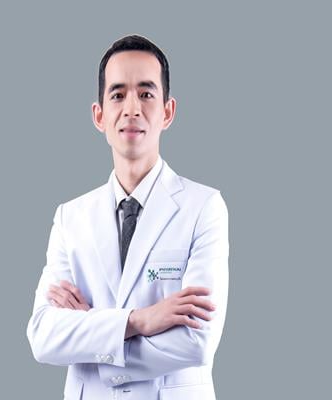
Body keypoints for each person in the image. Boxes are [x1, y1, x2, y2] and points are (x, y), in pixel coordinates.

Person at [26, 34, 229, 400]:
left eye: (146, 94)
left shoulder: (204, 207)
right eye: (118, 95)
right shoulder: (70, 217)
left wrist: (92, 336)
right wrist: (139, 320)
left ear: (167, 112)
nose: (132, 108)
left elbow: (196, 341)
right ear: (99, 115)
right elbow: (43, 335)